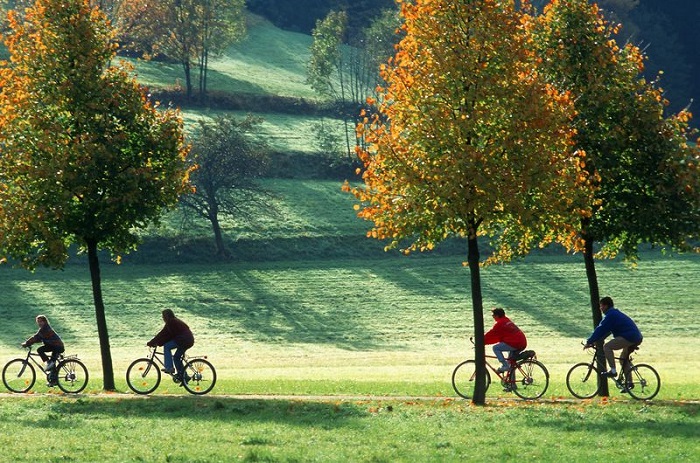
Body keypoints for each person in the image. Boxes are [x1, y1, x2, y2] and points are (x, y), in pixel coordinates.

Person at [584, 296, 643, 385]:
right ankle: (629, 383)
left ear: (606, 306)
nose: (600, 308)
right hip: (635, 337)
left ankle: (613, 371)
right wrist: (596, 340)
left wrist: (589, 341)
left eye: (601, 306)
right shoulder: (614, 314)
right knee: (623, 359)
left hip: (629, 337)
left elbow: (600, 329)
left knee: (607, 347)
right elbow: (607, 331)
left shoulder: (610, 315)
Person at [147, 309, 194, 382]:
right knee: (176, 358)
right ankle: (184, 376)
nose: (163, 318)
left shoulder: (171, 322)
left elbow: (167, 335)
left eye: (163, 316)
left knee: (167, 346)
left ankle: (169, 368)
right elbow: (163, 333)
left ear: (167, 316)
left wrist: (155, 342)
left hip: (184, 340)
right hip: (187, 340)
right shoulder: (172, 321)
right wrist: (154, 342)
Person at [21, 315, 65, 386]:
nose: (39, 323)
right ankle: (53, 379)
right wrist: (29, 343)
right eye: (38, 322)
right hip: (53, 346)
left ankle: (51, 369)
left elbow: (36, 337)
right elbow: (38, 338)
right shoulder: (43, 329)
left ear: (45, 321)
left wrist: (27, 343)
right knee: (44, 354)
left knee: (50, 361)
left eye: (40, 321)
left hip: (57, 346)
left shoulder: (45, 328)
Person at [484, 308, 527, 373]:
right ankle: (512, 382)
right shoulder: (506, 320)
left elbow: (492, 334)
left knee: (496, 348)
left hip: (515, 343)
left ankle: (505, 365)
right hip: (521, 342)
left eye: (493, 315)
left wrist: (481, 341)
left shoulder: (500, 323)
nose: (492, 317)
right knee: (511, 363)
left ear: (497, 316)